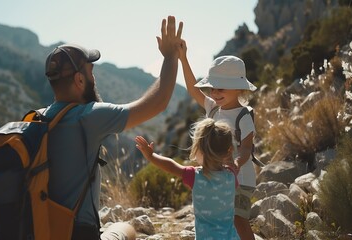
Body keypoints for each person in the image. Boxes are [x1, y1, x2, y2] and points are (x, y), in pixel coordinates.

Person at [42, 16, 183, 240]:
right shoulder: (89, 116)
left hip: (40, 231)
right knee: (126, 229)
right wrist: (170, 56)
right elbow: (158, 102)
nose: (93, 78)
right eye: (91, 72)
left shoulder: (35, 120)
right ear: (79, 80)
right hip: (79, 234)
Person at [179, 40, 257, 240]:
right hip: (217, 176)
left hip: (241, 178)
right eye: (212, 88)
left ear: (238, 88)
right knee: (224, 220)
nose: (214, 93)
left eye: (221, 89)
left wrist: (237, 164)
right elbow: (192, 89)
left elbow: (247, 148)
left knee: (238, 218)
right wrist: (183, 58)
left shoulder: (244, 115)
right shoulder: (213, 108)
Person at [135, 118, 239, 239]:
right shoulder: (231, 175)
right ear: (228, 150)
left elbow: (171, 166)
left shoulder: (195, 176)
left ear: (199, 150)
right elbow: (231, 163)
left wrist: (151, 156)